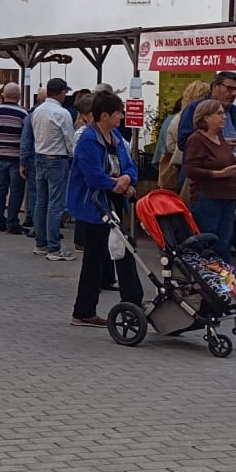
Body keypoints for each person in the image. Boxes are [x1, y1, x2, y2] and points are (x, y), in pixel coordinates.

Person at [68, 93, 144, 327]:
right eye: (119, 112)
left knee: (104, 255)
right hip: (94, 206)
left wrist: (127, 179)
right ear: (104, 116)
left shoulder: (116, 136)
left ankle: (86, 310)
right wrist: (119, 185)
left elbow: (130, 164)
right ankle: (131, 303)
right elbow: (93, 177)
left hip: (111, 203)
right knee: (113, 251)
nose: (122, 116)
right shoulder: (89, 140)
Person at [183, 99, 236, 256]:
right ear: (206, 117)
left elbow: (224, 160)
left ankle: (222, 278)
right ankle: (207, 277)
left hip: (228, 197)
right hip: (208, 198)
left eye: (224, 113)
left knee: (224, 242)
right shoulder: (197, 139)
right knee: (208, 243)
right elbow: (190, 170)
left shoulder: (220, 138)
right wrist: (218, 174)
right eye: (219, 113)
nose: (224, 117)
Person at [28, 79, 76, 261]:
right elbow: (69, 140)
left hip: (39, 157)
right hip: (57, 159)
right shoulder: (62, 113)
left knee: (41, 202)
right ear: (61, 93)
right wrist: (73, 156)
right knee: (55, 204)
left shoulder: (37, 111)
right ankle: (54, 247)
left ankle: (40, 243)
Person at [0, 83, 29, 235]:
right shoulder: (23, 114)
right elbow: (25, 137)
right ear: (19, 96)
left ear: (3, 94)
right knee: (16, 191)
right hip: (16, 156)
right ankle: (12, 221)